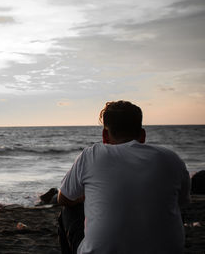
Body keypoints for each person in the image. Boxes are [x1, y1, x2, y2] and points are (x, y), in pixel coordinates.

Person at [58, 100, 191, 254]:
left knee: (68, 210)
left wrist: (84, 198)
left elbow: (63, 198)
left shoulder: (91, 155)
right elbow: (182, 202)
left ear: (105, 135)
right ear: (142, 135)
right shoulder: (172, 159)